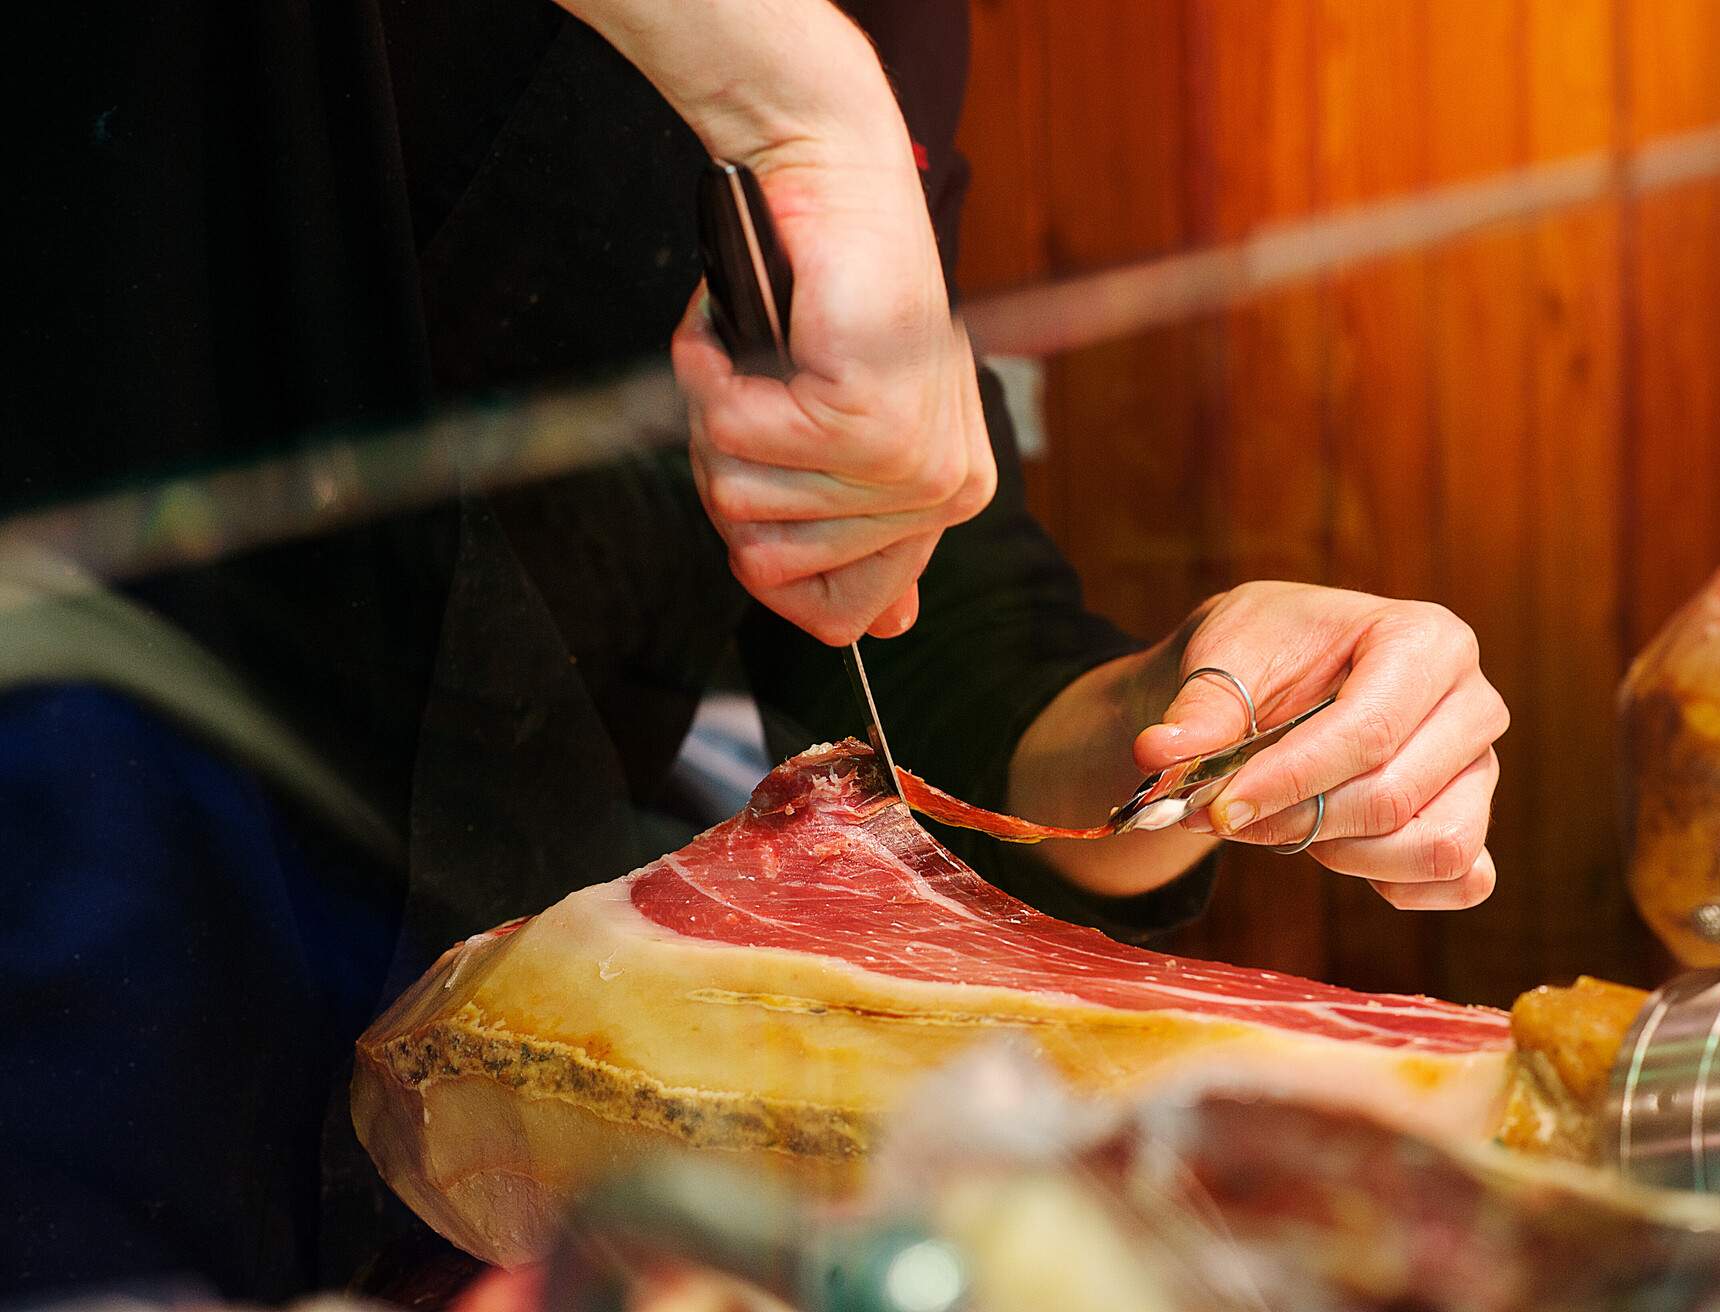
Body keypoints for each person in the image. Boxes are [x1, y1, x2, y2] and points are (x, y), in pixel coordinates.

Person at [0, 0, 1506, 1301]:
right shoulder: (818, 82)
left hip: (490, 1116)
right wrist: (789, 100)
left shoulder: (898, 35)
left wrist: (1179, 722)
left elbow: (912, 632)